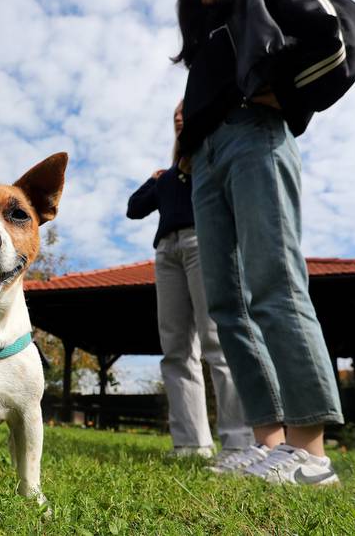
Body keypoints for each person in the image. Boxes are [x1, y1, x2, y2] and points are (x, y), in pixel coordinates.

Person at [173, 0, 355, 483]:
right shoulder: (210, 31)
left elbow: (340, 28)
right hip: (208, 162)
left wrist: (288, 93)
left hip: (255, 137)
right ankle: (270, 444)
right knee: (225, 303)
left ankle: (311, 453)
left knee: (273, 279)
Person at [127, 100, 252, 458]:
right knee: (176, 347)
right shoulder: (165, 177)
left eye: (185, 111)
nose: (179, 117)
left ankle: (239, 439)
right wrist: (155, 179)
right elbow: (134, 208)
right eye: (174, 115)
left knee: (216, 339)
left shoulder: (209, 160)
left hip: (203, 242)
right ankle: (191, 443)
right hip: (166, 252)